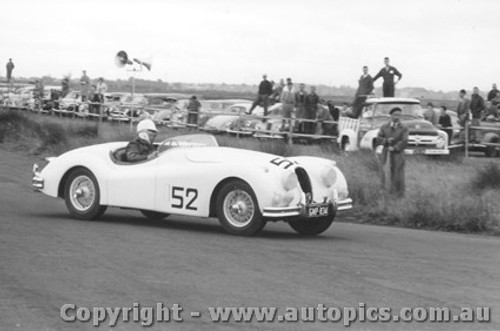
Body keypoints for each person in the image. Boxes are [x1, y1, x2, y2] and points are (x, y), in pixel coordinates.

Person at [376, 107, 409, 195]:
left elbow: (405, 141)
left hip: (398, 154)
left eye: (399, 115)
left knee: (398, 173)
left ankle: (399, 193)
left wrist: (395, 147)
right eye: (395, 115)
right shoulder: (384, 126)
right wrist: (386, 141)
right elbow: (378, 138)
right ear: (390, 115)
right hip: (386, 153)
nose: (397, 117)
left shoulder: (404, 128)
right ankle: (385, 191)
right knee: (384, 172)